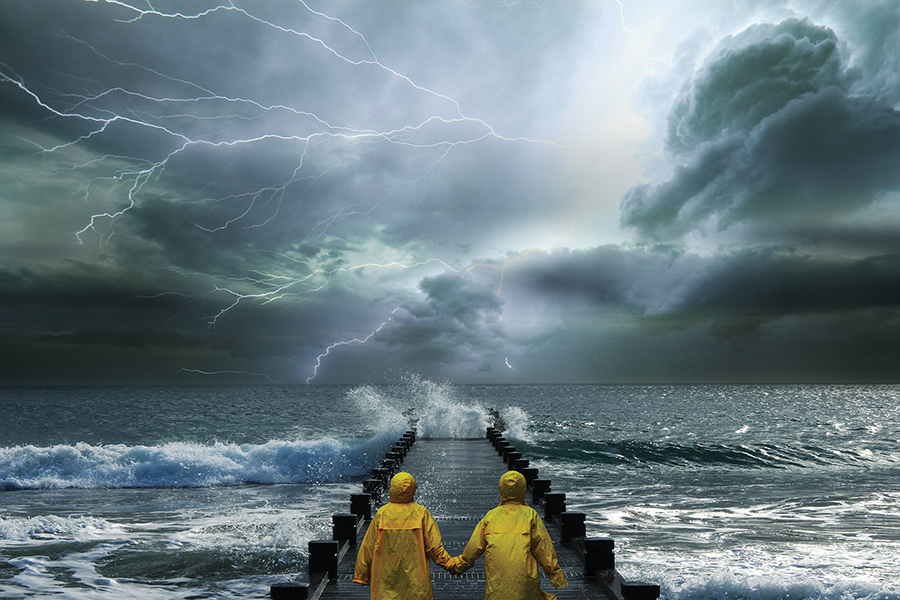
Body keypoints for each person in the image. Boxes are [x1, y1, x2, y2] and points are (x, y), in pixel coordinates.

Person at [451, 470, 568, 600]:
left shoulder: (491, 516)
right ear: (523, 489)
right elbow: (544, 549)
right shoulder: (530, 515)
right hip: (524, 581)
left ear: (501, 489)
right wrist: (556, 576)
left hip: (497, 581)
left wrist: (458, 566)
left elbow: (474, 547)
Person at [353, 471, 455, 600]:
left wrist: (362, 574)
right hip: (415, 581)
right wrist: (450, 564)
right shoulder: (421, 513)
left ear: (392, 488)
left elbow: (368, 546)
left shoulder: (383, 514)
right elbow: (434, 546)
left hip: (386, 580)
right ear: (413, 489)